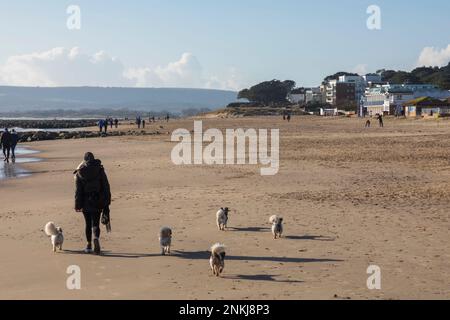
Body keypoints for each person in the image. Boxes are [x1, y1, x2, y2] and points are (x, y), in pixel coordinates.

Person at [74, 152, 111, 255]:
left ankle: (89, 245)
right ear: (93, 159)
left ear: (84, 160)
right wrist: (107, 201)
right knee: (95, 223)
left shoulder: (80, 171)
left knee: (87, 223)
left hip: (85, 201)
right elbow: (106, 186)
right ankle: (96, 238)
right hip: (98, 200)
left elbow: (78, 191)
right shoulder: (99, 169)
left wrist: (77, 205)